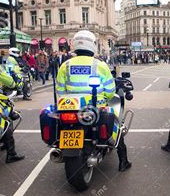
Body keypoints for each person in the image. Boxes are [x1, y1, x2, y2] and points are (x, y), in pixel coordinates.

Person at [56, 31, 131, 172]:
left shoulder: (65, 66)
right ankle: (123, 162)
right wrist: (103, 100)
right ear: (93, 45)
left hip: (70, 108)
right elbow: (110, 90)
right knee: (116, 124)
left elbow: (60, 91)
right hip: (94, 108)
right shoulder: (99, 65)